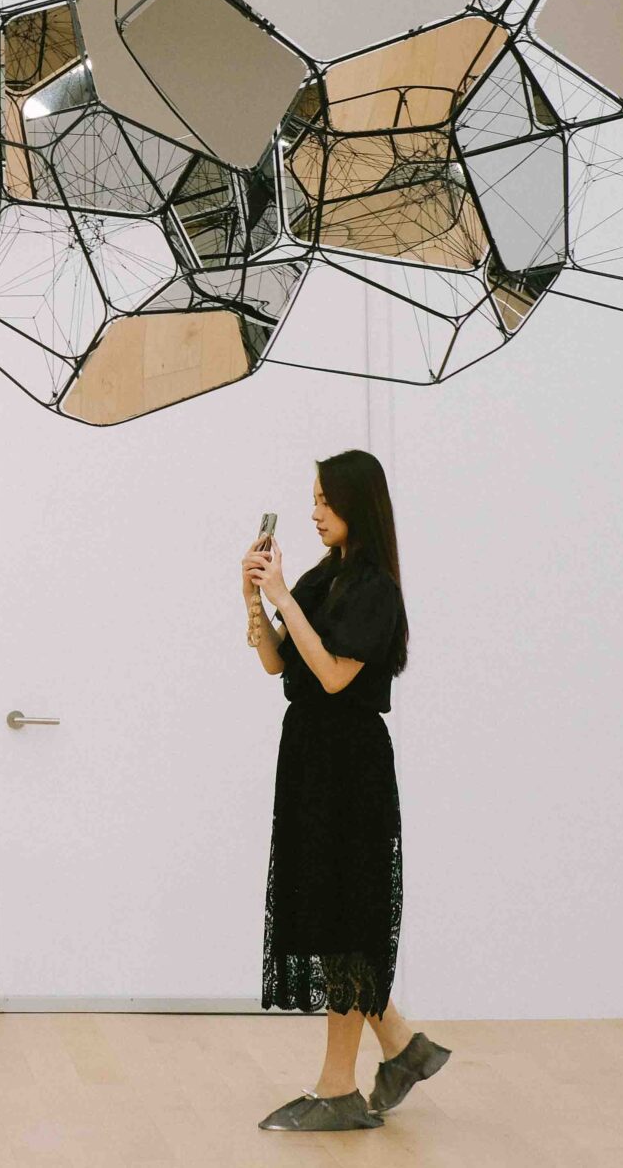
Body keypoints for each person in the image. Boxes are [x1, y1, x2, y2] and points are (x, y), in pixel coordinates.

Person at [241, 449, 452, 1131]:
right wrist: (254, 601)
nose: (314, 511)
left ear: (358, 503)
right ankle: (404, 1048)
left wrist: (281, 598)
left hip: (350, 765)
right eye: (313, 498)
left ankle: (339, 1088)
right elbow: (279, 662)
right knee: (331, 916)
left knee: (347, 920)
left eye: (326, 500)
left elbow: (334, 675)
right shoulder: (320, 576)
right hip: (309, 759)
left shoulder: (375, 589)